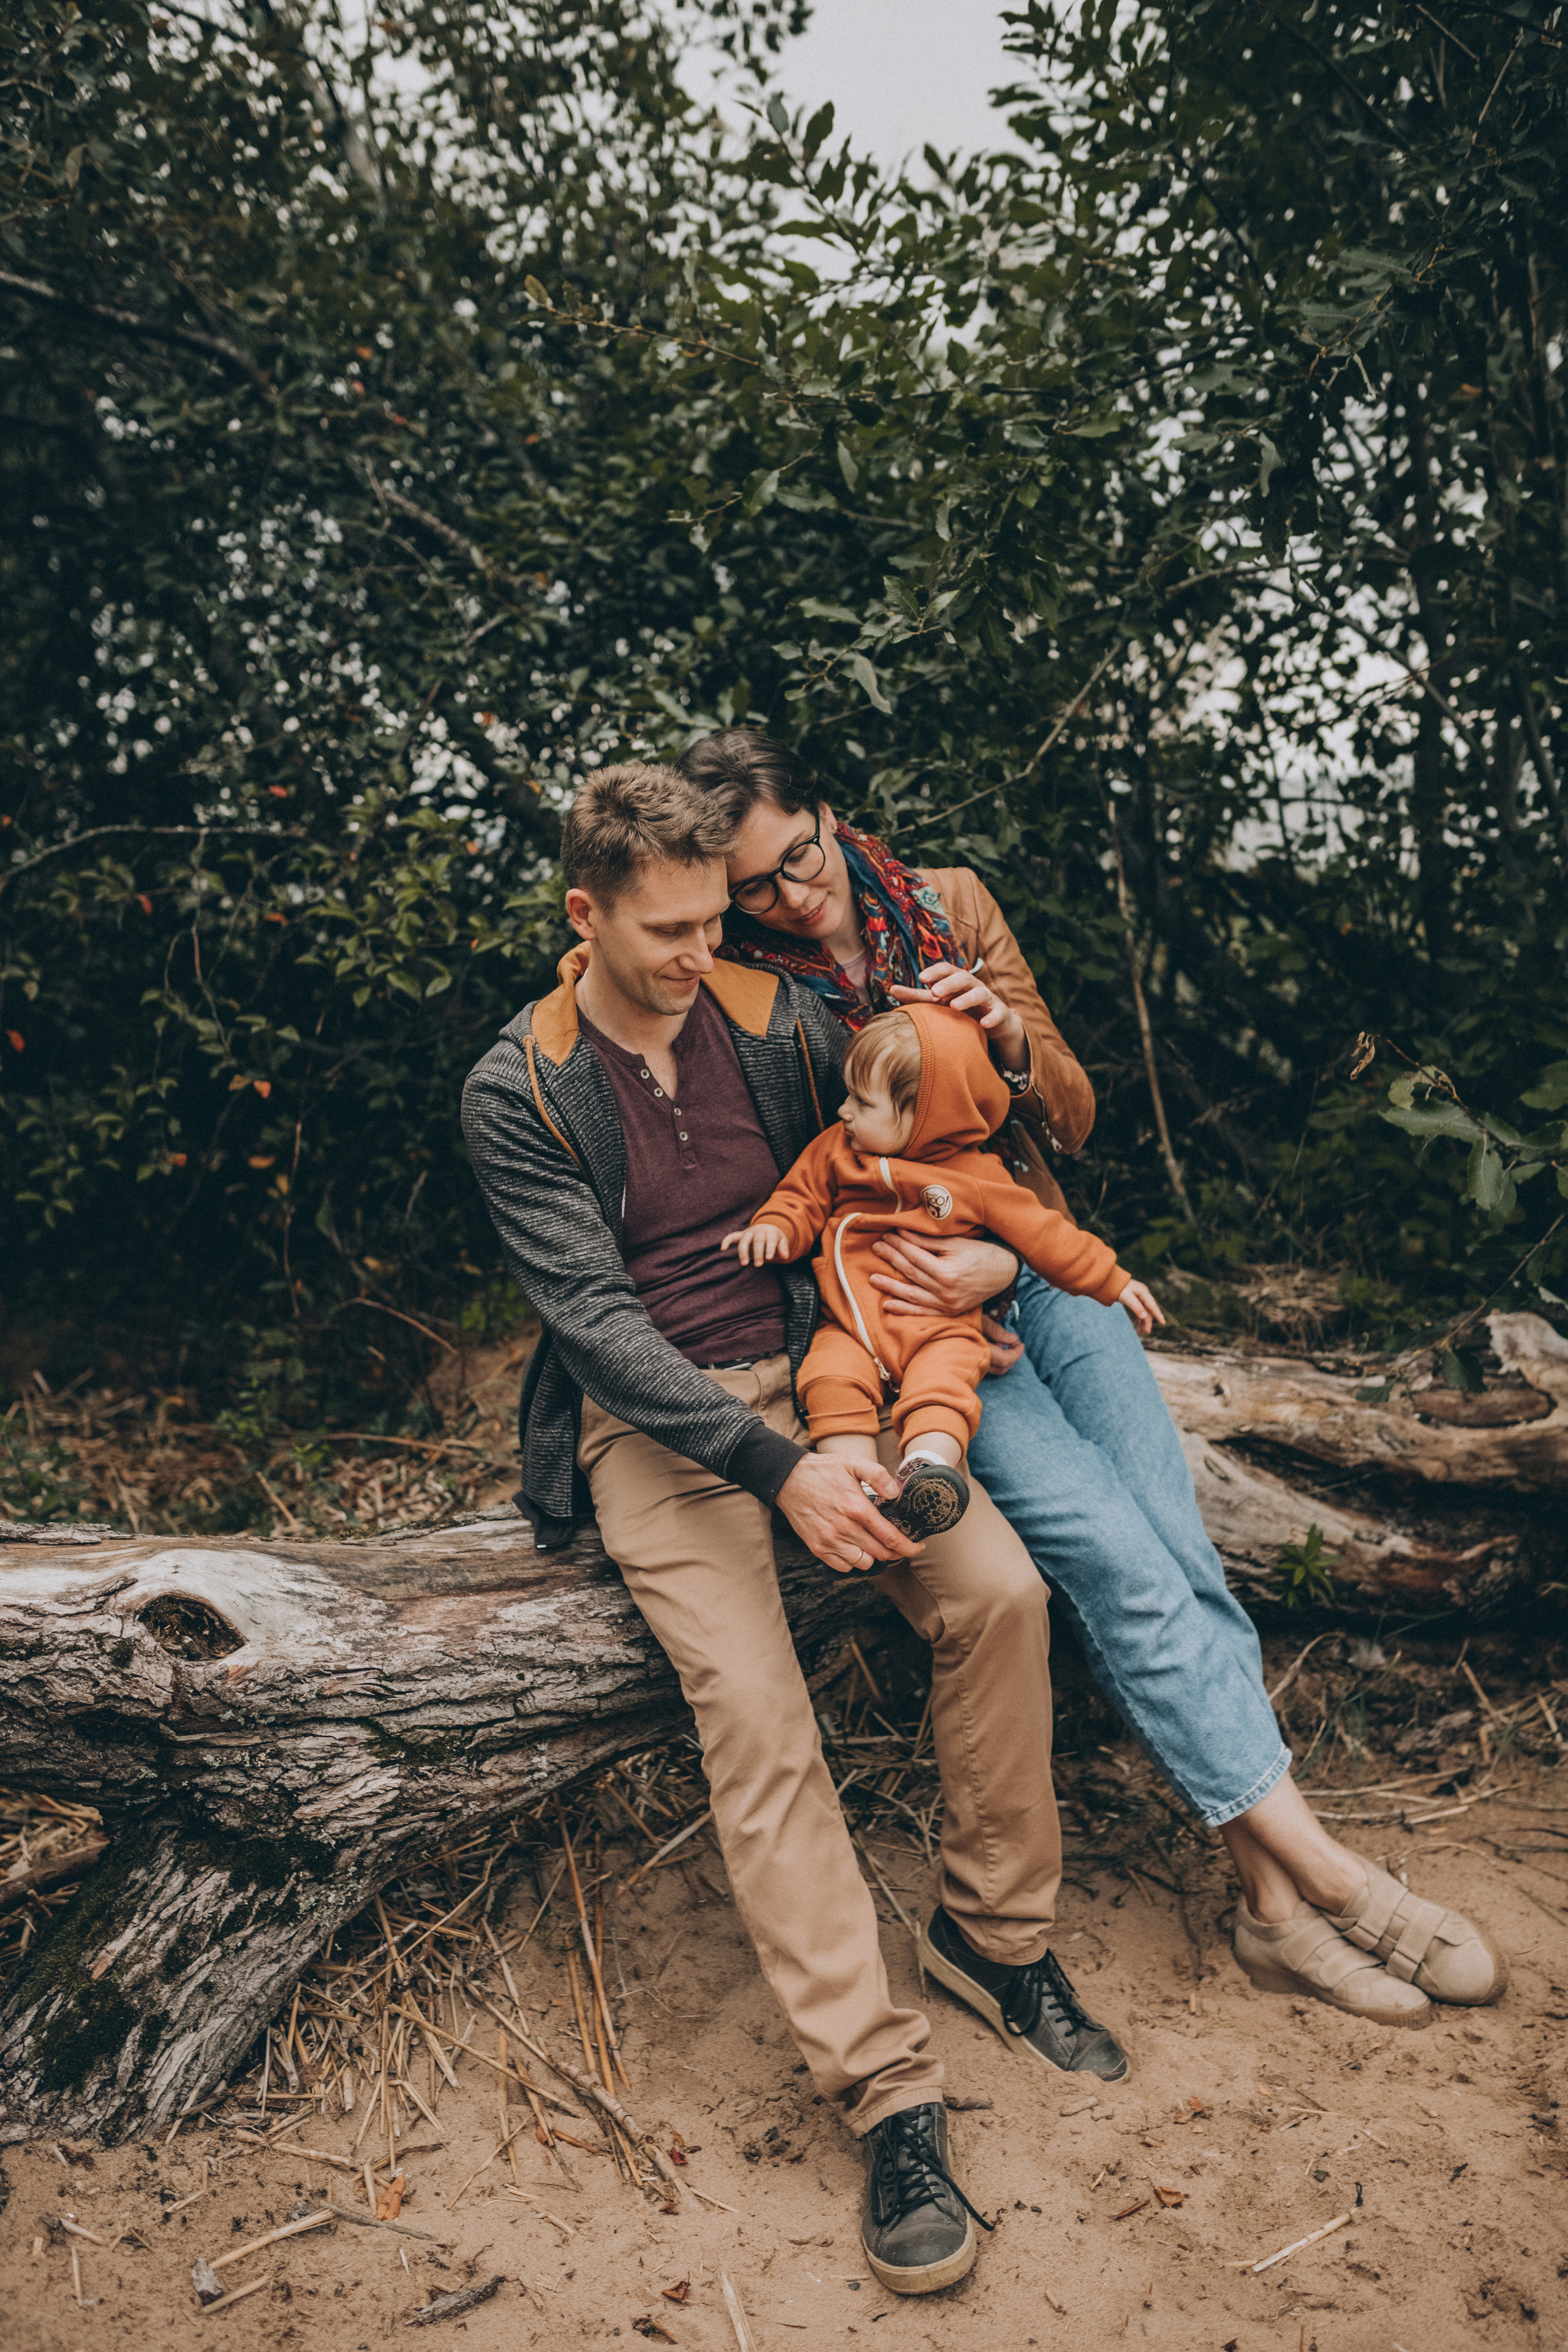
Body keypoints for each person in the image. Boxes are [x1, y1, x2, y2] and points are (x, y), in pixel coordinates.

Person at [678, 726, 1508, 2027]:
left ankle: (1270, 1904)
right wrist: (935, 1291)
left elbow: (1070, 1116)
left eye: (800, 855)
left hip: (1041, 1272)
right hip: (928, 1331)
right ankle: (1330, 1878)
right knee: (1115, 1560)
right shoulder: (741, 995)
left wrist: (1008, 1043)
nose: (793, 895)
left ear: (828, 813)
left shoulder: (949, 904)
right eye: (755, 888)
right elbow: (806, 1189)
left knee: (1175, 1550)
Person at [462, 762, 1128, 2302]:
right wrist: (778, 1470)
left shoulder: (776, 1019)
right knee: (759, 1721)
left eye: (716, 920)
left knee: (999, 1595)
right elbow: (594, 1327)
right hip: (666, 1428)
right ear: (584, 914)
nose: (704, 953)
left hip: (838, 1369)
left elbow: (939, 1124)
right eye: (670, 931)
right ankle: (889, 2097)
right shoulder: (521, 1086)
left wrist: (984, 1252)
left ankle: (992, 1938)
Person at [724, 1001, 1161, 1536]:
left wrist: (1114, 1281)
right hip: (851, 1326)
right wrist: (776, 1228)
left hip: (941, 1329)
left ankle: (926, 1471)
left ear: (926, 1118)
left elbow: (1047, 1235)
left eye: (863, 1102)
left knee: (945, 1390)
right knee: (829, 1378)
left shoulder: (977, 1177)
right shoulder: (837, 1151)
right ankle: (855, 1482)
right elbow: (800, 1197)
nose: (844, 1111)